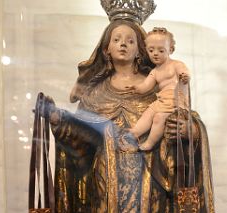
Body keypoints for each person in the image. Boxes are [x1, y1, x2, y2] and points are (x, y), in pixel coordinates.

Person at [45, 19, 215, 213]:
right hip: (104, 183)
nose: (123, 44)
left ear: (140, 50)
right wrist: (59, 120)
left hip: (150, 182)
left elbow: (184, 116)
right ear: (106, 48)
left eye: (130, 41)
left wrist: (190, 131)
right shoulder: (94, 93)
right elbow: (81, 139)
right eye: (116, 39)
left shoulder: (156, 86)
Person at [127, 27, 190, 151]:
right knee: (149, 112)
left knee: (158, 118)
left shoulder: (176, 65)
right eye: (151, 50)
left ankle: (150, 142)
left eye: (161, 50)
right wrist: (137, 88)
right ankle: (135, 132)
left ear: (170, 50)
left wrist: (184, 77)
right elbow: (146, 86)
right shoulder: (155, 72)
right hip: (161, 101)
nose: (155, 53)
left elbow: (184, 72)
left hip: (174, 102)